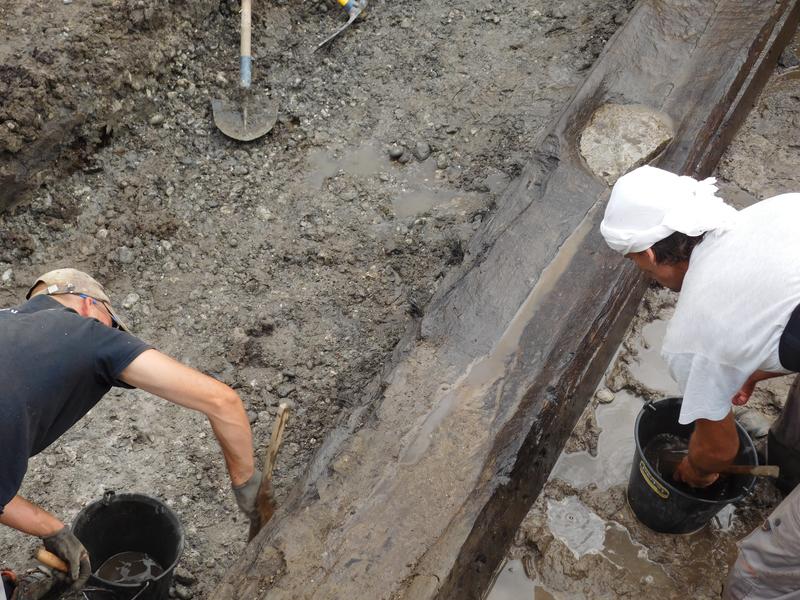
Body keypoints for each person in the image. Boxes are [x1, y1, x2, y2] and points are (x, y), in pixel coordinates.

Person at [0, 269, 265, 599]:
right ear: (88, 304)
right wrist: (248, 485)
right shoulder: (87, 333)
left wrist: (53, 529)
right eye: (111, 323)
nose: (112, 332)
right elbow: (223, 401)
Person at [600, 165, 800, 599]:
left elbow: (719, 450)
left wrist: (695, 471)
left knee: (762, 573)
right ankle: (789, 470)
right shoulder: (779, 212)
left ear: (650, 254)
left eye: (636, 262)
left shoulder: (694, 334)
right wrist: (754, 368)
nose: (643, 272)